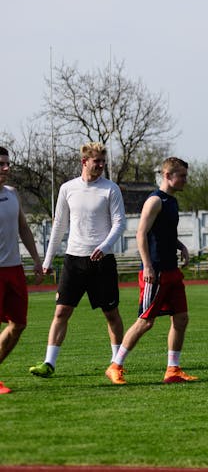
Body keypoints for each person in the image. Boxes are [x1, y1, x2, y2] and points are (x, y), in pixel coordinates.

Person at [30, 142, 127, 379]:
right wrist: (48, 259)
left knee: (111, 313)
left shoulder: (110, 189)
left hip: (102, 262)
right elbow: (59, 225)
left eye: (103, 161)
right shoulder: (67, 188)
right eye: (97, 161)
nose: (102, 165)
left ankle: (116, 364)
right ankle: (48, 363)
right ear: (85, 162)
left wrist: (104, 247)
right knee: (61, 311)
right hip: (74, 260)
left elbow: (120, 223)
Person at [105, 157, 197, 385]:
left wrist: (181, 246)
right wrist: (147, 265)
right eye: (182, 176)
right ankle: (115, 365)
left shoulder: (172, 201)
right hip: (155, 272)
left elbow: (165, 233)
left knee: (181, 318)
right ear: (168, 175)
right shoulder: (155, 201)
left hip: (172, 270)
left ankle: (172, 370)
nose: (185, 180)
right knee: (145, 321)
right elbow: (141, 233)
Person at [0, 147, 44, 394]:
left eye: (7, 164)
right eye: (1, 164)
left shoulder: (12, 194)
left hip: (14, 269)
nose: (6, 168)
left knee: (18, 325)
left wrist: (36, 259)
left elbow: (24, 229)